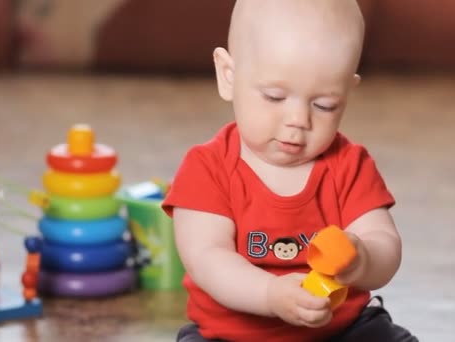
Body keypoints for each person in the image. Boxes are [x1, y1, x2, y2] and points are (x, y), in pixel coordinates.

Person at [162, 0, 418, 341]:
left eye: (324, 105)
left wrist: (362, 260)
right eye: (274, 97)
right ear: (228, 76)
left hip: (339, 329)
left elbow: (385, 245)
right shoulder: (207, 168)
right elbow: (208, 260)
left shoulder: (349, 165)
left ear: (346, 93)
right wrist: (271, 294)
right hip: (234, 335)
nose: (298, 120)